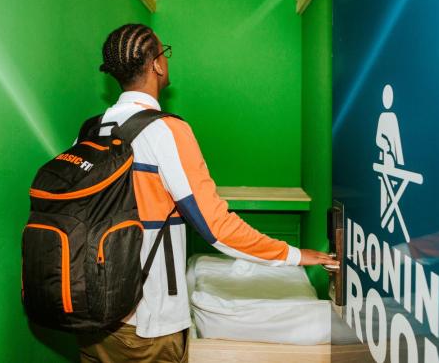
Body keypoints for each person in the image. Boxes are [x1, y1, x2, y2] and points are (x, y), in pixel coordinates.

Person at [76, 24, 339, 363]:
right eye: (164, 53)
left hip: (91, 314)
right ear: (156, 65)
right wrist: (295, 255)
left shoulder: (90, 130)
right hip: (146, 324)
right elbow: (218, 229)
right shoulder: (166, 131)